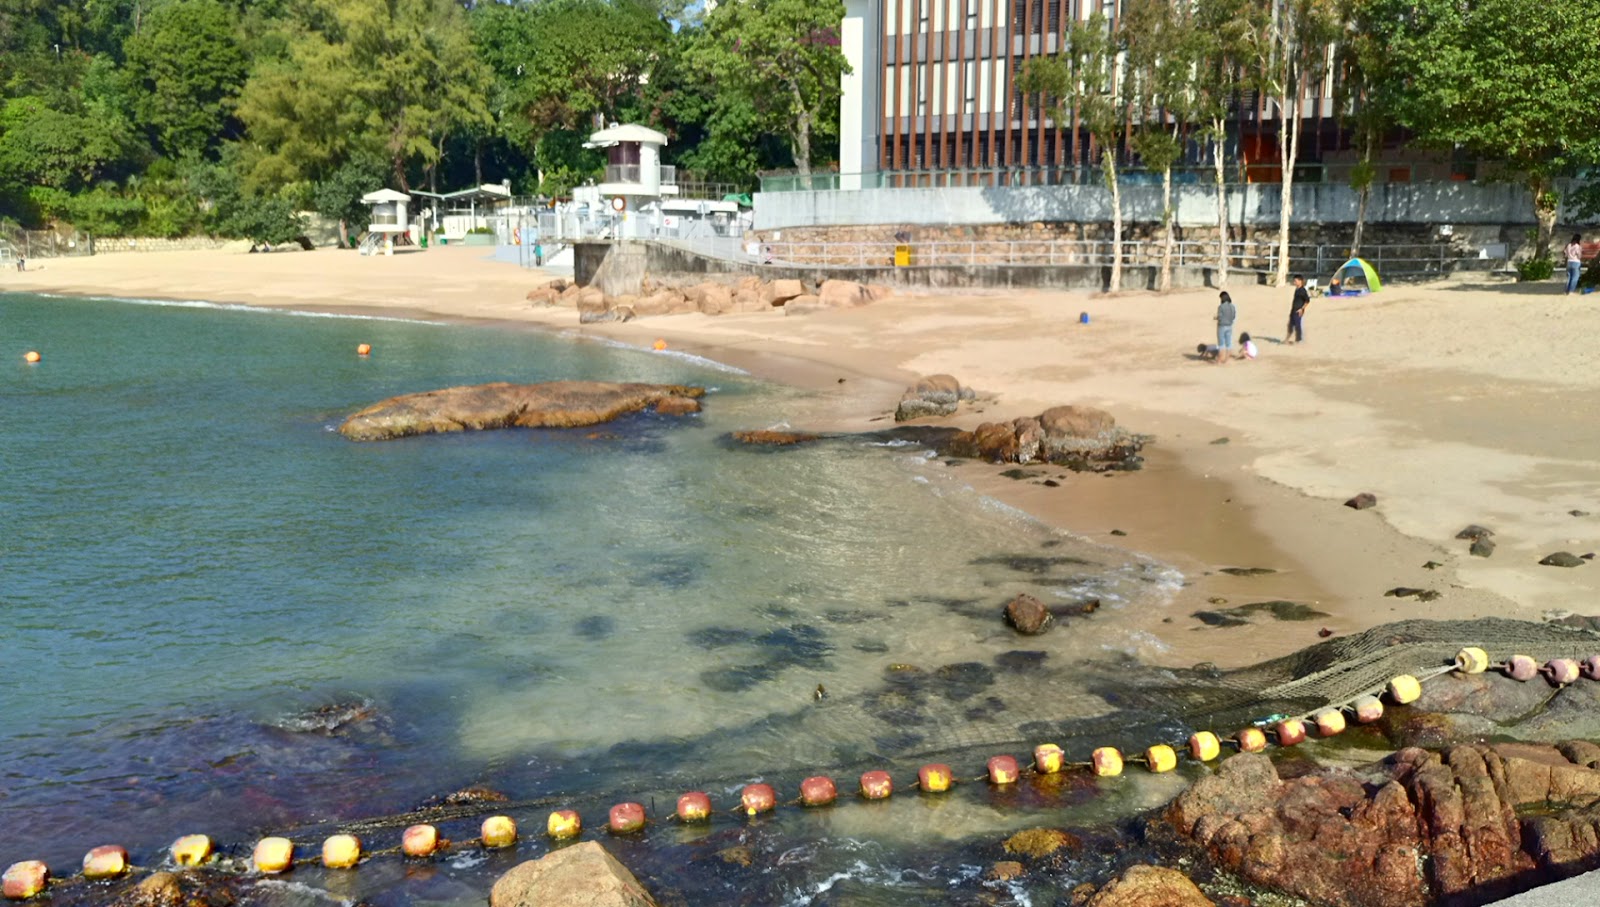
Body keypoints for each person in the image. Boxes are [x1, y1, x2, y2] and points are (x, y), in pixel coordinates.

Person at [1285, 274, 1310, 344]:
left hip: (1298, 311)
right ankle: (1288, 338)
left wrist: (1302, 309)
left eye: (1295, 281)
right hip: (1293, 309)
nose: (1294, 282)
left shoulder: (1302, 290)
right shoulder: (1297, 289)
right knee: (1290, 324)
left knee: (1297, 325)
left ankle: (1299, 340)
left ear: (1300, 281)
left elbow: (1307, 300)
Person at [1215, 291, 1237, 363]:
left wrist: (1216, 318)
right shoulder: (1232, 306)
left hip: (1221, 326)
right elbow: (1233, 317)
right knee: (1228, 344)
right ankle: (1226, 360)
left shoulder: (1221, 307)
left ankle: (1219, 360)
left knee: (1221, 344)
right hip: (1229, 326)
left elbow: (1220, 317)